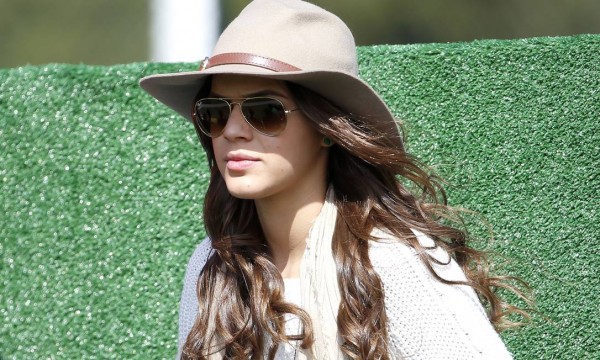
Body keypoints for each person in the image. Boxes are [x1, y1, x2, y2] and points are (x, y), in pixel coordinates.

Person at [140, 0, 530, 359]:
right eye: (215, 113)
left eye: (265, 111)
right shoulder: (211, 265)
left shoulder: (390, 262)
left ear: (326, 127)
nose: (233, 131)